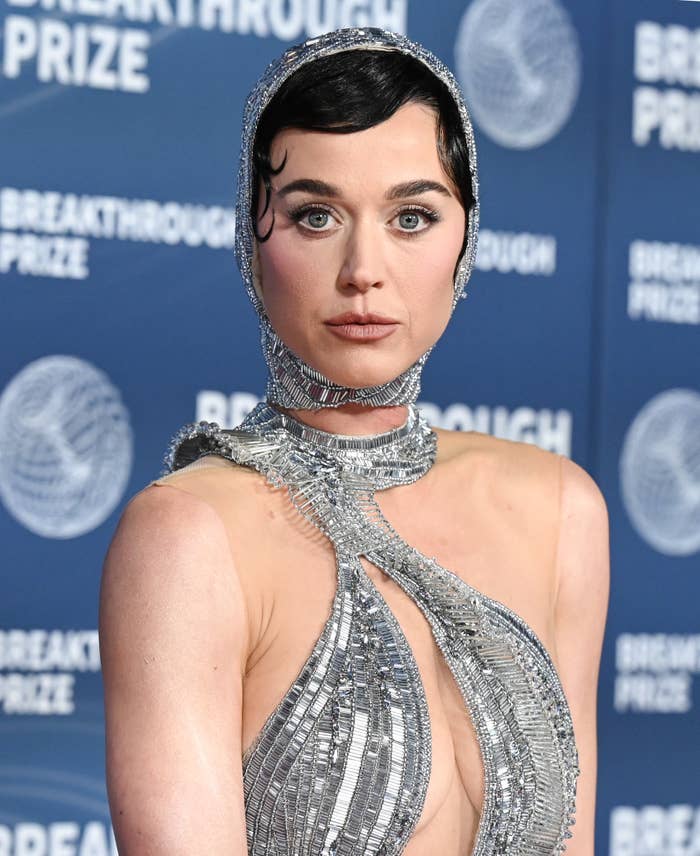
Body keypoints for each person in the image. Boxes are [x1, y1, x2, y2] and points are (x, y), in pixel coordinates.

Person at [99, 27, 609, 856]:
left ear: (466, 239)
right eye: (315, 215)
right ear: (250, 239)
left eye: (412, 216)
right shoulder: (188, 537)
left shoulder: (560, 510)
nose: (363, 268)